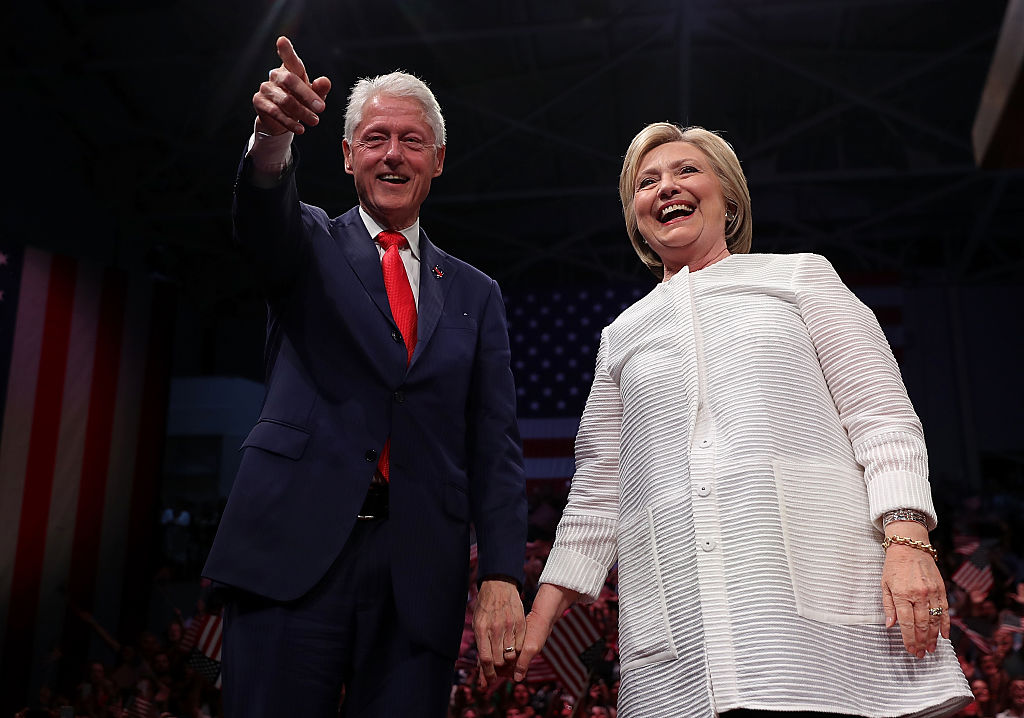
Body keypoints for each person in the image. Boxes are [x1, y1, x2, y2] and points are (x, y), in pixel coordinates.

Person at [511, 123, 972, 717]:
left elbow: (880, 415)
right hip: (678, 623)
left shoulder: (799, 276)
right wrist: (544, 608)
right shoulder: (621, 335)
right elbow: (599, 485)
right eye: (646, 183)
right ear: (636, 218)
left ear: (728, 198)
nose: (665, 188)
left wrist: (908, 541)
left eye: (685, 171)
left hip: (810, 603)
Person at [202, 36, 528, 717]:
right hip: (291, 553)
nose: (392, 154)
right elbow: (261, 217)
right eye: (375, 138)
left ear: (437, 160)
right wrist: (269, 138)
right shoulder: (309, 243)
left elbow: (493, 444)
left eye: (412, 141)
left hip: (419, 574)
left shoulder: (477, 293)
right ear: (348, 154)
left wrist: (501, 571)